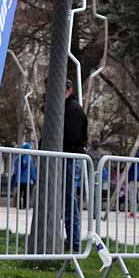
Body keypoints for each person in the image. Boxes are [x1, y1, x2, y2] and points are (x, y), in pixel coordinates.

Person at [62, 79, 88, 251]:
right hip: (66, 158)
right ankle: (71, 241)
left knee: (69, 201)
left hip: (70, 158)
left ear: (69, 90)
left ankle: (74, 243)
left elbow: (71, 136)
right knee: (66, 200)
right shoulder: (67, 108)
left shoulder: (73, 110)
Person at [10, 141, 37, 208]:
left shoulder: (17, 158)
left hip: (19, 179)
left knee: (19, 193)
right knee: (26, 194)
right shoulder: (29, 158)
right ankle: (25, 206)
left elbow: (16, 170)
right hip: (27, 180)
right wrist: (34, 178)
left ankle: (18, 206)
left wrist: (15, 178)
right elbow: (31, 169)